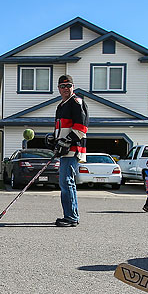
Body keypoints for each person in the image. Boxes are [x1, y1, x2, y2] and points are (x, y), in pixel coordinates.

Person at [53, 74, 88, 227]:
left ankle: (72, 217)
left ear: (73, 87)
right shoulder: (61, 105)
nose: (65, 89)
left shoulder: (76, 102)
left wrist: (66, 141)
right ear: (59, 88)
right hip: (64, 150)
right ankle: (68, 215)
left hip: (73, 149)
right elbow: (61, 129)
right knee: (64, 183)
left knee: (67, 182)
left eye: (68, 86)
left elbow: (82, 127)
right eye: (62, 86)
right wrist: (54, 141)